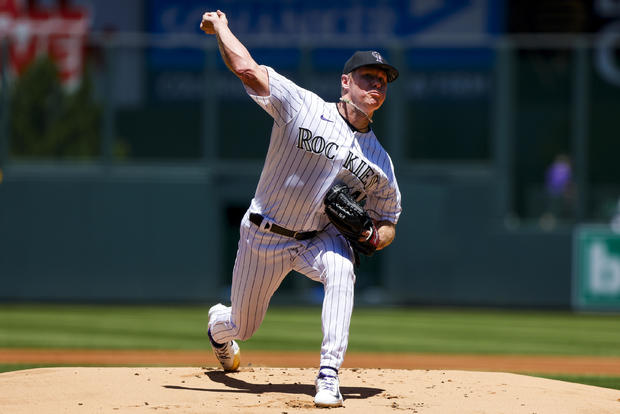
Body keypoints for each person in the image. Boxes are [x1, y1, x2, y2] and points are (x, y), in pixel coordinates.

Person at [200, 10, 402, 408]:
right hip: (264, 234)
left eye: (382, 81)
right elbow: (247, 70)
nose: (376, 85)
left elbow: (389, 219)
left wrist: (373, 237)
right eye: (367, 77)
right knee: (243, 324)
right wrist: (222, 28)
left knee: (343, 270)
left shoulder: (380, 160)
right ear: (345, 83)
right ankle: (217, 328)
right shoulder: (304, 106)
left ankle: (329, 375)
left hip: (318, 238)